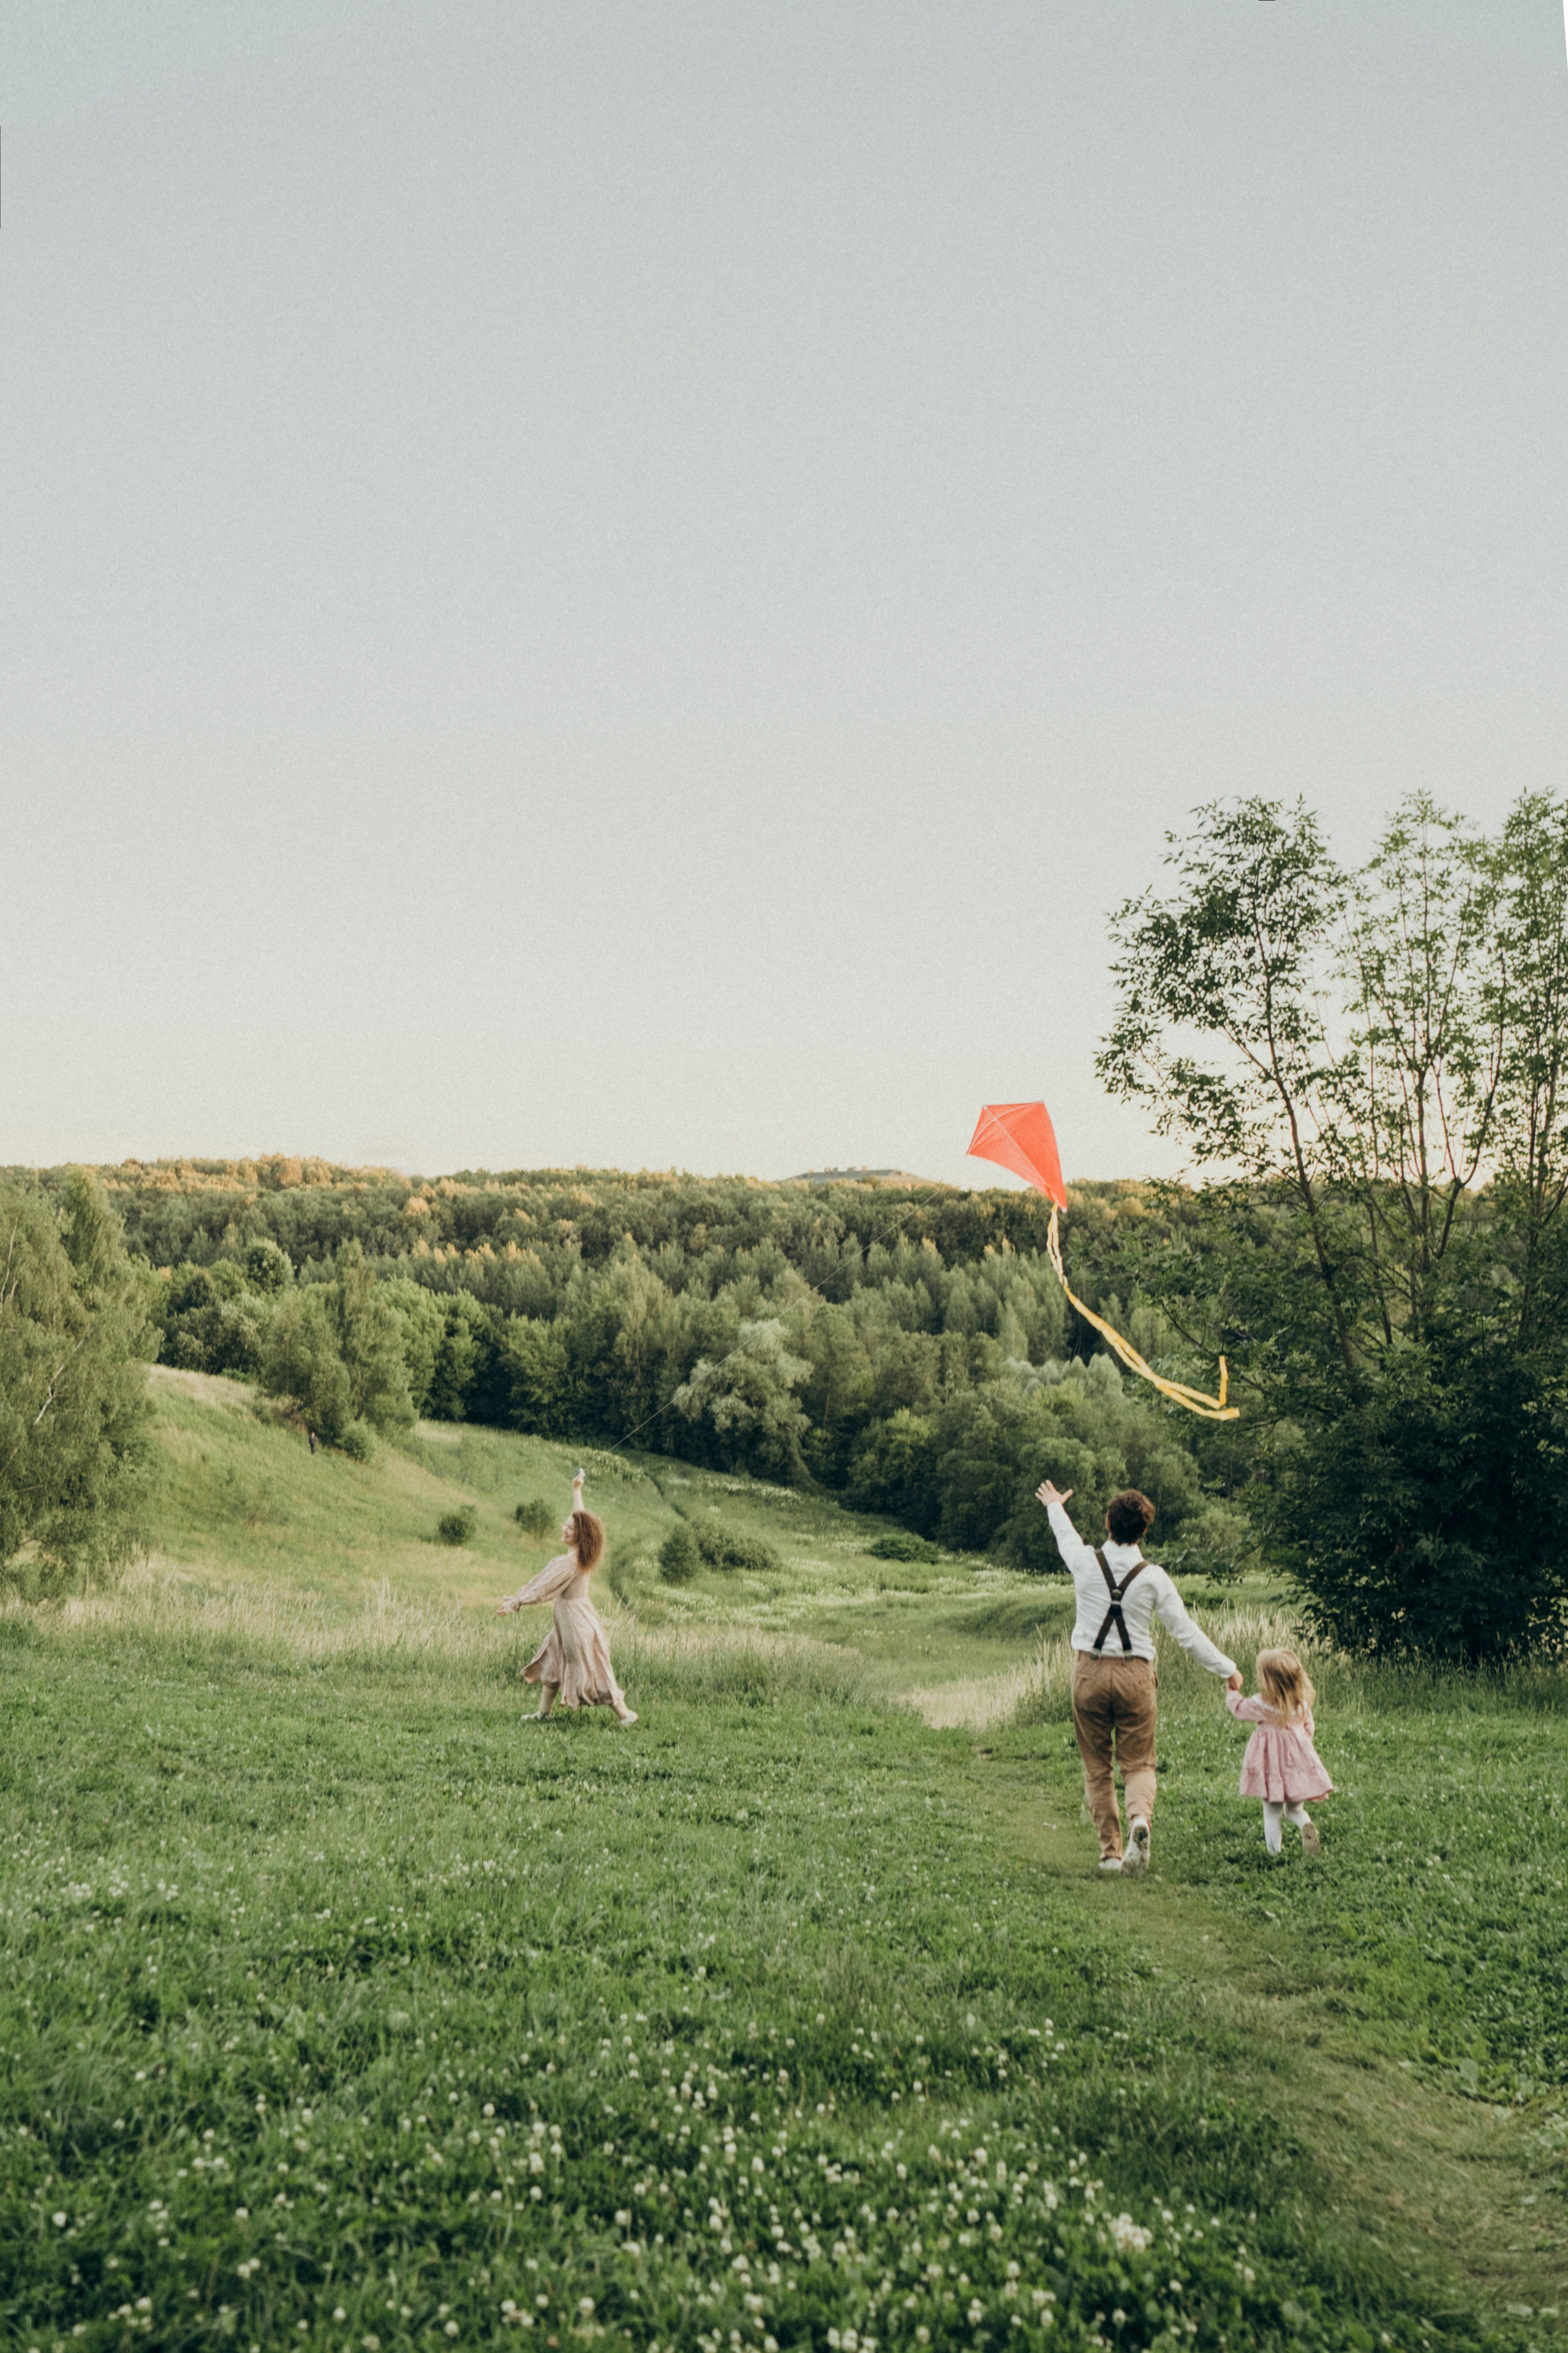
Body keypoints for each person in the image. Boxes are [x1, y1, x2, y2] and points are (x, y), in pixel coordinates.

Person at [1036, 1479, 1238, 1876]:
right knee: (1139, 1764)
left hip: (1090, 1672)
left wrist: (1055, 1505)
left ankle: (1111, 1853)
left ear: (1109, 1524)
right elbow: (1186, 1633)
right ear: (1144, 1530)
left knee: (1098, 1768)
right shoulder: (1154, 1577)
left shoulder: (1085, 1561)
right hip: (1135, 1676)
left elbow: (1066, 1537)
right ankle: (1139, 1820)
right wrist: (1227, 1668)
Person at [497, 1469, 636, 1726]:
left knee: (591, 1669)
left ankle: (625, 1715)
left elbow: (544, 1587)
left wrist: (518, 1602)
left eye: (570, 1528)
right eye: (566, 1525)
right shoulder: (584, 1552)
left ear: (580, 1535)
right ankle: (544, 1713)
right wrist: (576, 1490)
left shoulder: (571, 1562)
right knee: (552, 1659)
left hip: (575, 1622)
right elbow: (581, 1518)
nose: (565, 1529)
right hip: (574, 1618)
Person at [1225, 1647, 1332, 1857]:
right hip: (1296, 1767)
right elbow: (1309, 1729)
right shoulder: (1301, 1704)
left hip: (1272, 1768)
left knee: (1272, 1813)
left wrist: (1232, 1691)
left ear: (1268, 1681)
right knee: (1293, 1810)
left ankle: (1275, 1855)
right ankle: (1305, 1825)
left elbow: (1239, 1709)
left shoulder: (1261, 1703)